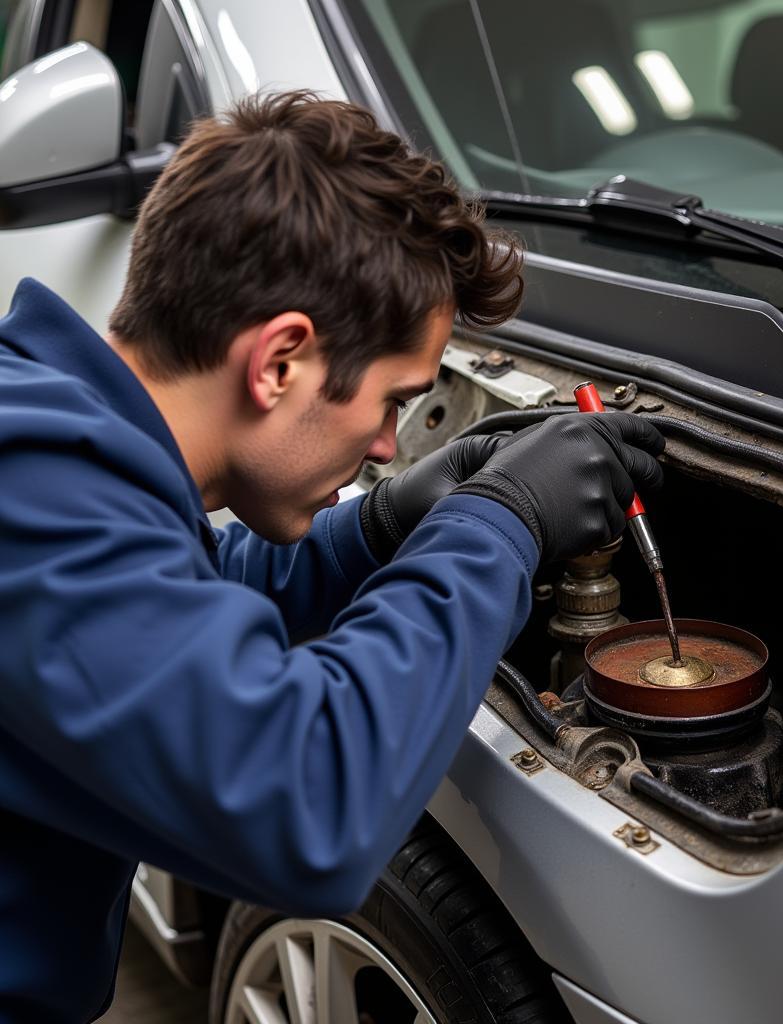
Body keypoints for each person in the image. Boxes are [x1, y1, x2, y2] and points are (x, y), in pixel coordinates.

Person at [0, 91, 664, 1021]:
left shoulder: (61, 442)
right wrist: (497, 527)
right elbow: (304, 810)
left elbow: (166, 609)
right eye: (393, 401)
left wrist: (387, 524)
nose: (392, 443)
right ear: (280, 362)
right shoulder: (28, 487)